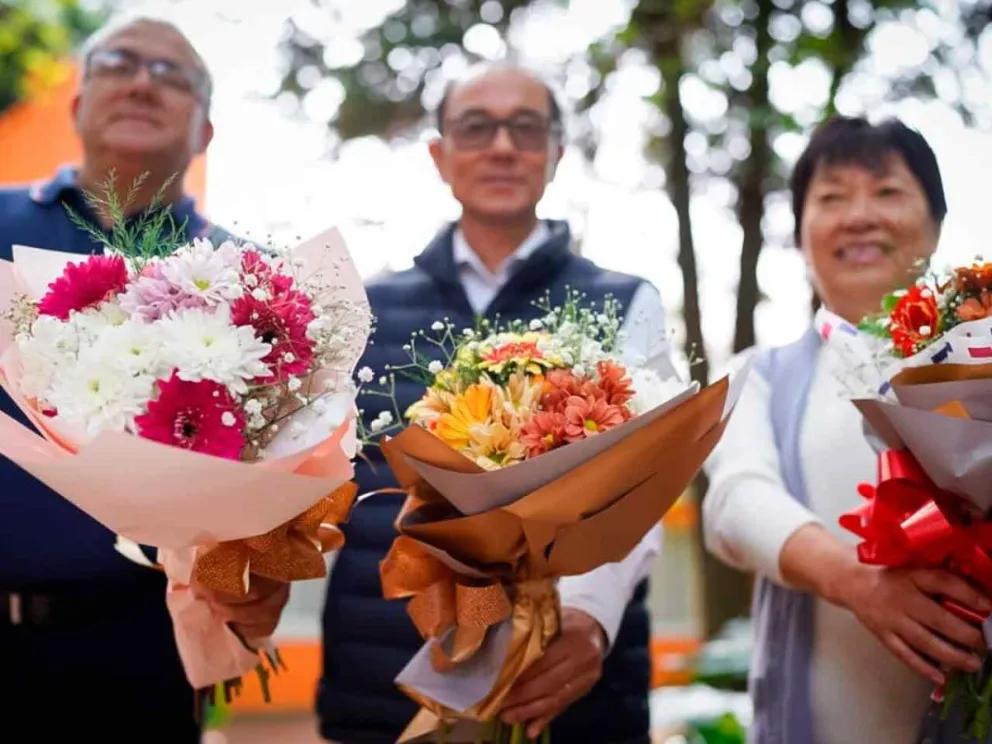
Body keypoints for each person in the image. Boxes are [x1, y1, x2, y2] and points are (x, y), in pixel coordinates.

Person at [317, 63, 670, 744]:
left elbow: (649, 482)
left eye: (526, 128)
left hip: (565, 676)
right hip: (383, 672)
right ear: (440, 156)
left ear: (557, 153)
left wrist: (591, 618)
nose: (502, 146)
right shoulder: (364, 307)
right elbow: (319, 480)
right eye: (476, 127)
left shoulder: (627, 301)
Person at [0, 16, 286, 736]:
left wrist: (261, 570)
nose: (142, 82)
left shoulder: (251, 279)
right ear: (78, 102)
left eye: (173, 76)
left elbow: (286, 462)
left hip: (145, 645)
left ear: (206, 132)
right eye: (120, 63)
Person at [703, 116, 991, 744]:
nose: (861, 216)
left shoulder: (981, 363)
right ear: (803, 236)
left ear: (936, 225)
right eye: (832, 197)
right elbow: (735, 502)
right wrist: (858, 583)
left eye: (887, 192)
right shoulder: (760, 376)